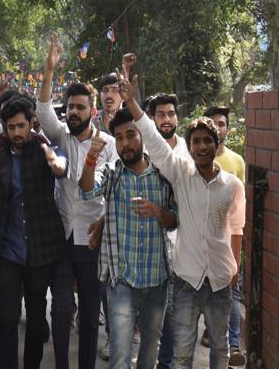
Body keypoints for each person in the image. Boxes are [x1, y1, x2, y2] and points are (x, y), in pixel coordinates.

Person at [119, 71, 245, 369]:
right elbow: (153, 139)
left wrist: (235, 267)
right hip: (186, 280)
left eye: (207, 141)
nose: (201, 147)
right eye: (196, 142)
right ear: (189, 147)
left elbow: (237, 228)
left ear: (217, 144)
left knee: (220, 350)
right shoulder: (181, 174)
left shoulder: (232, 185)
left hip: (219, 281)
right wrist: (133, 104)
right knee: (182, 353)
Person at [36, 33, 117, 369]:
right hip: (62, 236)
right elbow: (42, 111)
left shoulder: (108, 145)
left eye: (79, 107)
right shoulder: (61, 135)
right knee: (60, 309)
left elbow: (104, 188)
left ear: (92, 111)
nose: (72, 111)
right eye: (69, 106)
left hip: (92, 240)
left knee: (88, 313)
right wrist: (49, 70)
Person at [79, 108, 178, 369]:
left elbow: (175, 220)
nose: (125, 143)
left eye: (131, 135)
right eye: (119, 137)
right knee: (120, 355)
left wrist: (158, 212)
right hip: (122, 280)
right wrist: (91, 158)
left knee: (148, 352)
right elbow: (87, 191)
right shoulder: (112, 172)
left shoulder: (162, 174)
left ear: (142, 135)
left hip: (157, 279)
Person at [0, 96, 68, 369]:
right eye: (11, 126)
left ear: (31, 124)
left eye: (21, 126)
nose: (16, 132)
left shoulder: (44, 151)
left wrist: (55, 161)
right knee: (7, 317)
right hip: (8, 251)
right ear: (4, 126)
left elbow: (62, 169)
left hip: (41, 250)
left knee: (37, 318)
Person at [145, 93, 192, 369]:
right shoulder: (144, 152)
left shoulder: (189, 149)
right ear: (152, 119)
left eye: (171, 113)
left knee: (177, 315)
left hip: (183, 242)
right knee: (154, 317)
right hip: (151, 241)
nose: (166, 119)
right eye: (161, 114)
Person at [203, 106, 246, 366]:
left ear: (227, 128)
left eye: (222, 123)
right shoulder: (194, 159)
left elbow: (241, 203)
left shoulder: (238, 161)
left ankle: (233, 345)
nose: (218, 128)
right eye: (214, 123)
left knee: (233, 290)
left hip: (231, 238)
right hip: (205, 242)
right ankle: (215, 334)